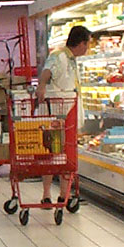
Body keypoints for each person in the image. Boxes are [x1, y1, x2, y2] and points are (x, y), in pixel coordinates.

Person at [36, 25, 91, 204]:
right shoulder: (59, 55)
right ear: (81, 43)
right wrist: (42, 87)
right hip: (54, 113)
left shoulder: (72, 59)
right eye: (87, 44)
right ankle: (46, 195)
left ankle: (63, 195)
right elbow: (46, 72)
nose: (88, 48)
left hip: (68, 113)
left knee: (66, 154)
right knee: (51, 153)